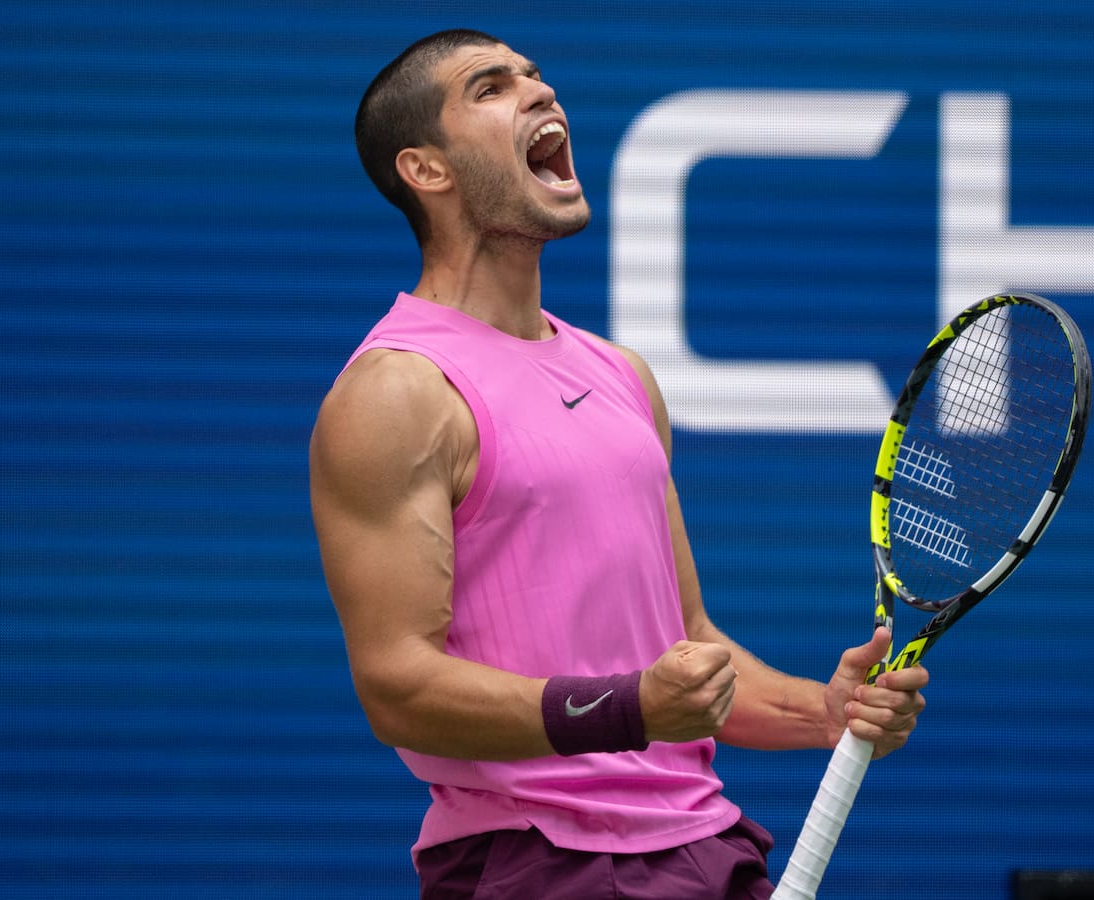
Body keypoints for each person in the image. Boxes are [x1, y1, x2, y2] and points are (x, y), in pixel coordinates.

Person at [310, 28, 928, 899]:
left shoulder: (622, 375)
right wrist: (631, 708)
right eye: (491, 87)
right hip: (539, 859)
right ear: (427, 170)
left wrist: (820, 714)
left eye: (536, 74)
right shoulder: (399, 391)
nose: (540, 92)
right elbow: (397, 685)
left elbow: (687, 648)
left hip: (706, 848)